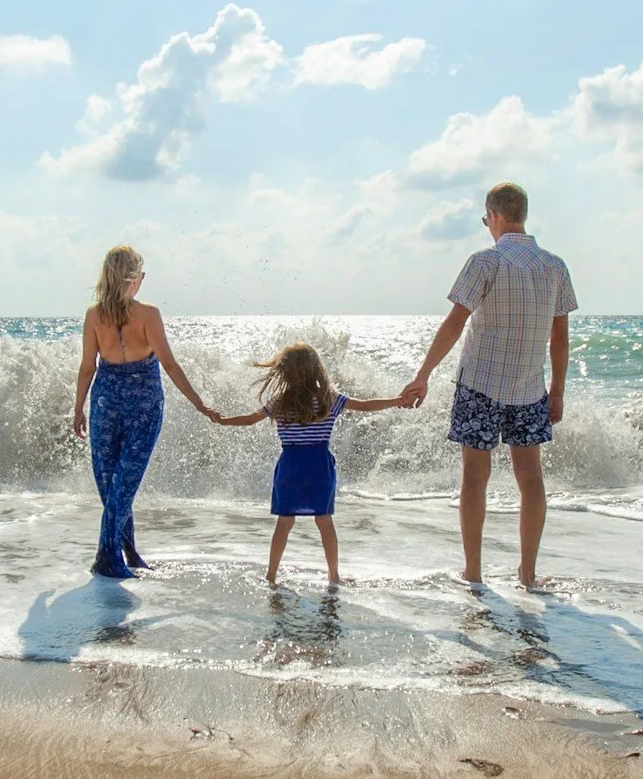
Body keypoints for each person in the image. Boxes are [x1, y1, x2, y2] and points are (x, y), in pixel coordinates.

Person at [398, 182, 577, 588]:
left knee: (475, 479)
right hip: (530, 389)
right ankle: (527, 574)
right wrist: (559, 391)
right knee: (531, 480)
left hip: (479, 385)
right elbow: (560, 337)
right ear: (523, 215)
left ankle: (474, 572)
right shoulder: (554, 266)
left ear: (494, 216)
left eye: (486, 219)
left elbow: (454, 324)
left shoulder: (485, 262)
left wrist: (422, 374)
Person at [210, 342, 408, 586]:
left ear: (285, 372)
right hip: (319, 467)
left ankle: (271, 575)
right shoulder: (328, 400)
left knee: (284, 522)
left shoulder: (279, 402)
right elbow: (366, 406)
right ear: (316, 369)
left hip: (290, 467)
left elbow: (251, 420)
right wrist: (398, 400)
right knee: (324, 521)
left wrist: (223, 421)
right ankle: (334, 575)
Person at [71, 246, 213, 578]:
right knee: (120, 484)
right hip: (143, 405)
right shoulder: (148, 314)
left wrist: (78, 408)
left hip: (106, 401)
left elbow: (87, 368)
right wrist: (198, 403)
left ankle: (124, 553)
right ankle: (110, 556)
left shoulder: (94, 315)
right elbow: (169, 364)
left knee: (115, 484)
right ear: (134, 279)